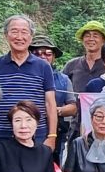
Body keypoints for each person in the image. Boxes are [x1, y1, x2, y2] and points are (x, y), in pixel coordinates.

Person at [0, 14, 58, 150]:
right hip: (1, 134)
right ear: (6, 35)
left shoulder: (43, 66)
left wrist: (52, 136)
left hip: (37, 135)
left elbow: (50, 103)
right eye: (14, 31)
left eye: (24, 32)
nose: (19, 37)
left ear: (31, 37)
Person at [30, 35, 76, 163]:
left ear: (54, 57)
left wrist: (54, 110)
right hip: (24, 130)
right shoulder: (23, 75)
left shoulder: (63, 79)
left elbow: (73, 107)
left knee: (52, 169)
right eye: (37, 53)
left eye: (48, 53)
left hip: (55, 132)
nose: (43, 56)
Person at [63, 21, 105, 92]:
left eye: (95, 36)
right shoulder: (72, 64)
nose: (91, 39)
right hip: (76, 103)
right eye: (87, 36)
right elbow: (60, 86)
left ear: (103, 40)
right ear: (82, 40)